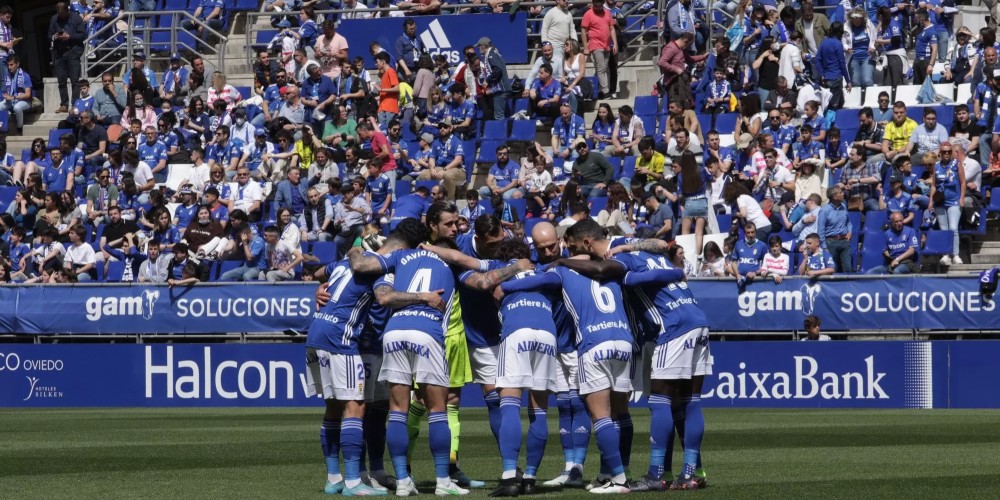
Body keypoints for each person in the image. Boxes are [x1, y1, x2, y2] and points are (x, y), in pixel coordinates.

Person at [346, 221, 470, 497]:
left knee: (398, 411)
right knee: (437, 411)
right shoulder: (450, 263)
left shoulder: (399, 259)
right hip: (427, 331)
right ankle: (442, 481)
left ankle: (402, 481)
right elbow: (481, 275)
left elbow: (365, 270)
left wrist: (359, 243)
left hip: (394, 332)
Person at [929, 143, 966, 265]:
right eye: (944, 151)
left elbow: (963, 182)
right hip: (940, 201)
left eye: (949, 151)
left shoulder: (956, 164)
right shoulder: (936, 166)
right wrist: (930, 201)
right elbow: (934, 185)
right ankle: (946, 254)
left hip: (954, 200)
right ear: (940, 152)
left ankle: (955, 254)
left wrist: (961, 198)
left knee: (953, 228)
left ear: (952, 152)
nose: (946, 154)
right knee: (943, 228)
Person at [49, 3, 85, 116]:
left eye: (63, 14)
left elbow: (83, 35)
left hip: (73, 51)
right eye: (59, 14)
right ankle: (64, 104)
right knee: (61, 81)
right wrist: (55, 36)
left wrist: (69, 36)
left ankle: (75, 104)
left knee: (75, 80)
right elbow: (49, 35)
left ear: (67, 11)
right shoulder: (54, 19)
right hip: (59, 53)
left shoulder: (76, 18)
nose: (62, 16)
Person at [658, 33, 706, 109]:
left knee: (685, 104)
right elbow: (661, 62)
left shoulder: (681, 49)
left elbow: (689, 59)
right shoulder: (671, 48)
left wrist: (703, 57)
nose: (689, 47)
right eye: (689, 45)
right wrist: (676, 69)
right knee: (677, 106)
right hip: (674, 82)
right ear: (686, 41)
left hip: (682, 82)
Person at [581, 0, 618, 99]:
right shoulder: (588, 14)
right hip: (595, 45)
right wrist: (585, 47)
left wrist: (615, 43)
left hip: (607, 45)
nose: (598, 8)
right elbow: (583, 31)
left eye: (600, 6)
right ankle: (606, 91)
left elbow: (612, 28)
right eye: (596, 6)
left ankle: (601, 91)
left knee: (605, 69)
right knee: (601, 68)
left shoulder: (607, 13)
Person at [817, 186, 852, 273]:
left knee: (848, 267)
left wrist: (850, 231)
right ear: (834, 197)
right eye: (840, 193)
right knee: (832, 268)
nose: (842, 194)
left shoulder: (843, 206)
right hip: (831, 242)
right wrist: (824, 247)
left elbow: (848, 222)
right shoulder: (824, 210)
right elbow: (821, 230)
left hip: (844, 241)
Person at [477, 37, 511, 120]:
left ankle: (501, 133)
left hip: (501, 90)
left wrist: (487, 80)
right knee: (501, 114)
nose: (478, 49)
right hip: (500, 89)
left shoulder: (491, 55)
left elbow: (497, 69)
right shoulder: (494, 53)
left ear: (483, 46)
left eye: (479, 46)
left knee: (499, 115)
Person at [840, 146, 881, 212]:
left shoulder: (871, 166)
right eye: (850, 154)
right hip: (851, 199)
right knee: (840, 206)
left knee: (875, 208)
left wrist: (857, 180)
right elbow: (840, 182)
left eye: (852, 155)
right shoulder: (847, 167)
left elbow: (876, 178)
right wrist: (844, 186)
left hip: (866, 199)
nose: (849, 156)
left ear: (860, 156)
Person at [1, 56, 32, 135]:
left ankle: (19, 127)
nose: (9, 67)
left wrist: (13, 97)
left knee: (17, 107)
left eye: (11, 65)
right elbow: (6, 92)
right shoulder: (8, 76)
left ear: (17, 64)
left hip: (24, 101)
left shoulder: (25, 76)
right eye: (8, 65)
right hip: (11, 100)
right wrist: (7, 96)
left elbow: (28, 94)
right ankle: (1, 128)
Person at [912, 8, 938, 86]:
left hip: (925, 61)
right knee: (916, 86)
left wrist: (931, 64)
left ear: (922, 19)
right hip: (917, 61)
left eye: (917, 19)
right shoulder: (921, 29)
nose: (915, 21)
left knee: (926, 87)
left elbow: (935, 48)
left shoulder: (931, 31)